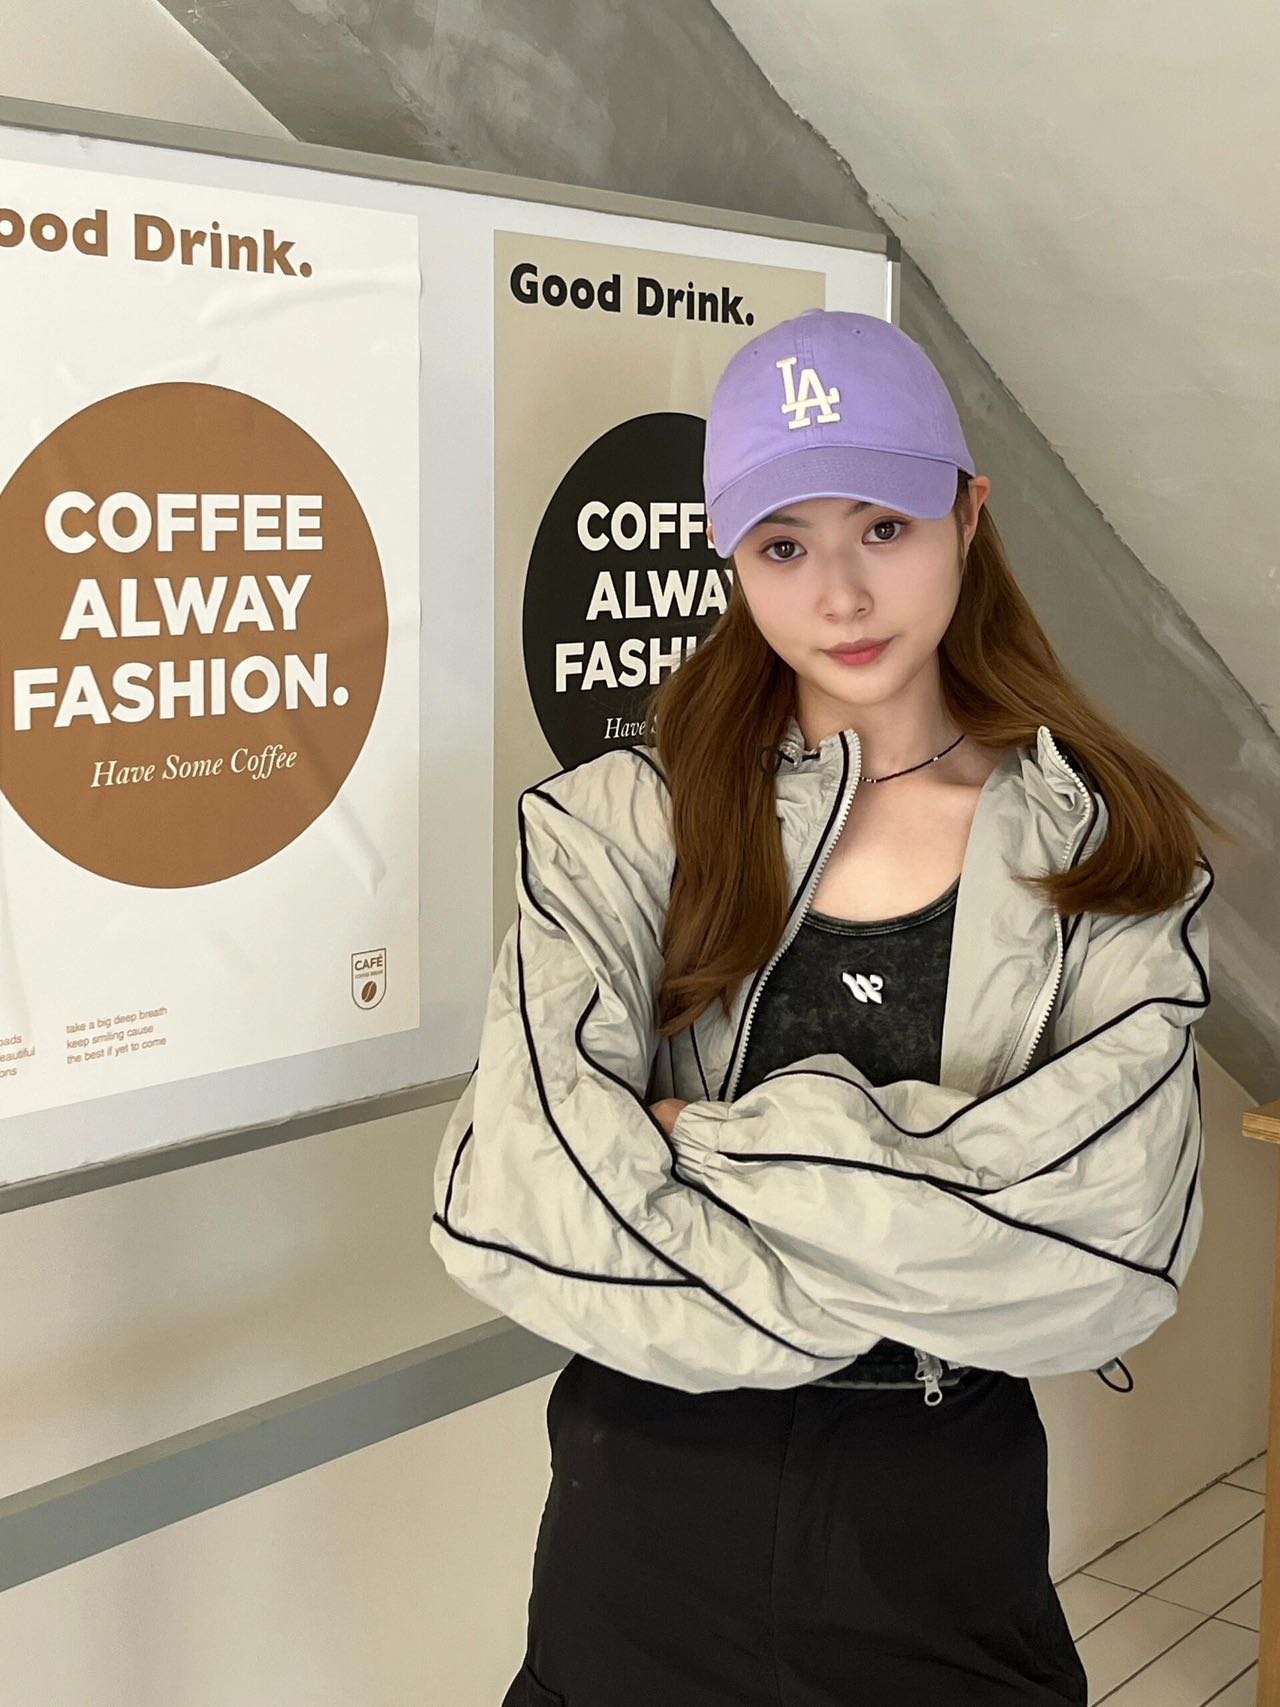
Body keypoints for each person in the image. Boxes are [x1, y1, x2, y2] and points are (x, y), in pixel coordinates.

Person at [431, 309, 1230, 1705]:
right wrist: (942, 1221)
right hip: (644, 1527)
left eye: (884, 528)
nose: (843, 597)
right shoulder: (620, 827)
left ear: (968, 514)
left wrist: (692, 1147)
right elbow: (516, 1205)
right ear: (731, 561)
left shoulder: (1102, 844)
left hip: (938, 1536)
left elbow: (1112, 1256)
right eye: (784, 547)